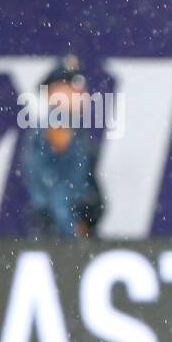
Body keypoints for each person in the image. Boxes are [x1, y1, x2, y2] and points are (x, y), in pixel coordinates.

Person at [19, 57, 105, 239]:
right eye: (73, 84)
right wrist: (72, 233)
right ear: (53, 92)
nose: (81, 91)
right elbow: (59, 190)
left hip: (61, 234)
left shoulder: (72, 131)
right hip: (60, 236)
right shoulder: (57, 128)